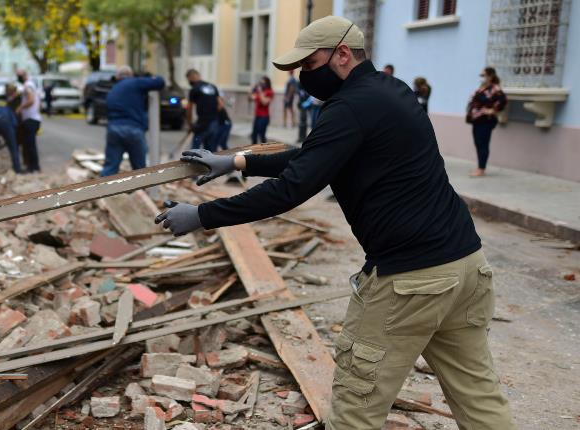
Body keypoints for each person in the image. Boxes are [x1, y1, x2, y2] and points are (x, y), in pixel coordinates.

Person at [154, 16, 516, 430]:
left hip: (409, 281)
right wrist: (238, 162)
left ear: (342, 53)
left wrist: (202, 215)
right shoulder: (390, 92)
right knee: (478, 395)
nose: (305, 77)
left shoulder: (348, 108)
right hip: (465, 268)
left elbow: (293, 187)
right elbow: (317, 156)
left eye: (309, 66)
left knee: (356, 409)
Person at [100, 66, 165, 176]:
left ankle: (101, 191)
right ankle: (140, 190)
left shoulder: (113, 90)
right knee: (139, 169)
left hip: (114, 129)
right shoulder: (136, 83)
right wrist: (153, 77)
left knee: (110, 167)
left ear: (117, 77)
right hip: (133, 129)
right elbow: (160, 82)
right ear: (131, 75)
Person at [467, 67, 506, 177]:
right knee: (478, 143)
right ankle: (480, 167)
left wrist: (492, 110)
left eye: (483, 75)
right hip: (477, 120)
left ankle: (481, 169)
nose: (481, 77)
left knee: (483, 144)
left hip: (486, 121)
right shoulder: (483, 88)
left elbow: (503, 100)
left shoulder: (494, 89)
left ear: (490, 76)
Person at [186, 69, 223, 151]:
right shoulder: (212, 86)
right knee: (210, 151)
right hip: (214, 122)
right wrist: (212, 113)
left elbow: (189, 108)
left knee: (194, 151)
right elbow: (220, 104)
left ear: (190, 77)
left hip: (202, 123)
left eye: (188, 79)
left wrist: (190, 123)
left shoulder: (194, 89)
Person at [15, 70, 42, 173]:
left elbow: (31, 100)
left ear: (23, 76)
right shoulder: (31, 85)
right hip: (33, 118)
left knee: (30, 145)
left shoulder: (28, 86)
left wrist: (20, 108)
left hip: (31, 120)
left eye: (18, 76)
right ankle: (32, 166)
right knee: (29, 144)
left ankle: (34, 167)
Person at [251, 76, 274, 144]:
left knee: (262, 136)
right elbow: (250, 98)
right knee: (254, 136)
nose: (261, 84)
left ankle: (264, 152)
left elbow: (264, 102)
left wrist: (260, 92)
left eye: (263, 83)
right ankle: (253, 152)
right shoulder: (259, 91)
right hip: (257, 116)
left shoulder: (270, 92)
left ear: (267, 83)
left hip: (264, 117)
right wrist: (251, 89)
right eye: (260, 83)